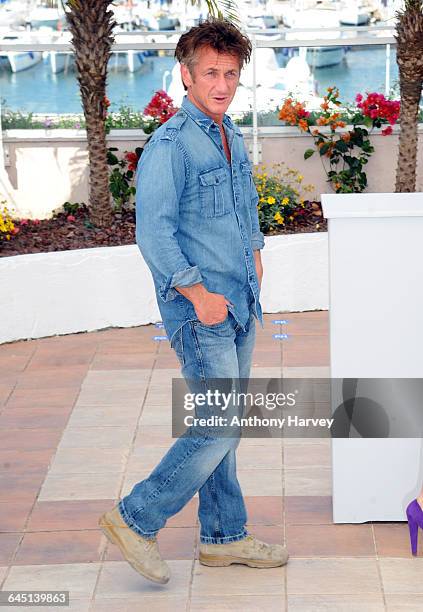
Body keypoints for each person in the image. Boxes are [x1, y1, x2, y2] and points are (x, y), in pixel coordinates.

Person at [99, 17, 289, 584]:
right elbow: (152, 233)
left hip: (241, 304)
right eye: (211, 73)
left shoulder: (227, 135)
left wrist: (255, 255)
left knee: (222, 422)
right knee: (221, 424)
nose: (223, 84)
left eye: (231, 73)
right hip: (201, 309)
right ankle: (138, 516)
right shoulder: (172, 144)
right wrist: (199, 295)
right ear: (186, 75)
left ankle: (223, 536)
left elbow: (243, 210)